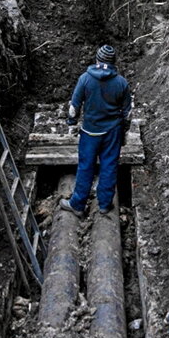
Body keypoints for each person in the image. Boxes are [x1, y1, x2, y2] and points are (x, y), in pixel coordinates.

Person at [60, 45, 132, 217]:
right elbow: (127, 112)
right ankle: (105, 205)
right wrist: (124, 129)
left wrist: (72, 123)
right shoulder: (122, 83)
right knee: (109, 166)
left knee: (86, 166)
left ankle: (77, 204)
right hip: (112, 131)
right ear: (114, 63)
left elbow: (74, 106)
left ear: (97, 60)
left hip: (90, 131)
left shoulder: (85, 79)